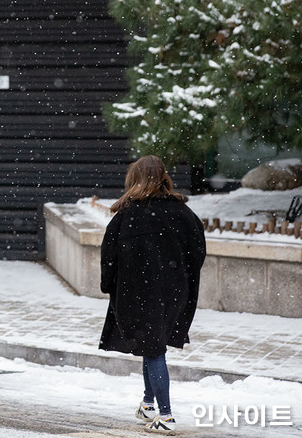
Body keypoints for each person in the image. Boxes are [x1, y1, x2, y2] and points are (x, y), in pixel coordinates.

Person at [98, 155, 206, 434]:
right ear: (164, 177)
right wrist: (182, 278)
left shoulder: (128, 215)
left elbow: (108, 257)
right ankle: (148, 404)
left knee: (154, 350)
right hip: (174, 291)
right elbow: (198, 252)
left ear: (134, 178)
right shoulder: (184, 213)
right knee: (152, 345)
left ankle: (166, 416)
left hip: (138, 292)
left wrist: (109, 285)